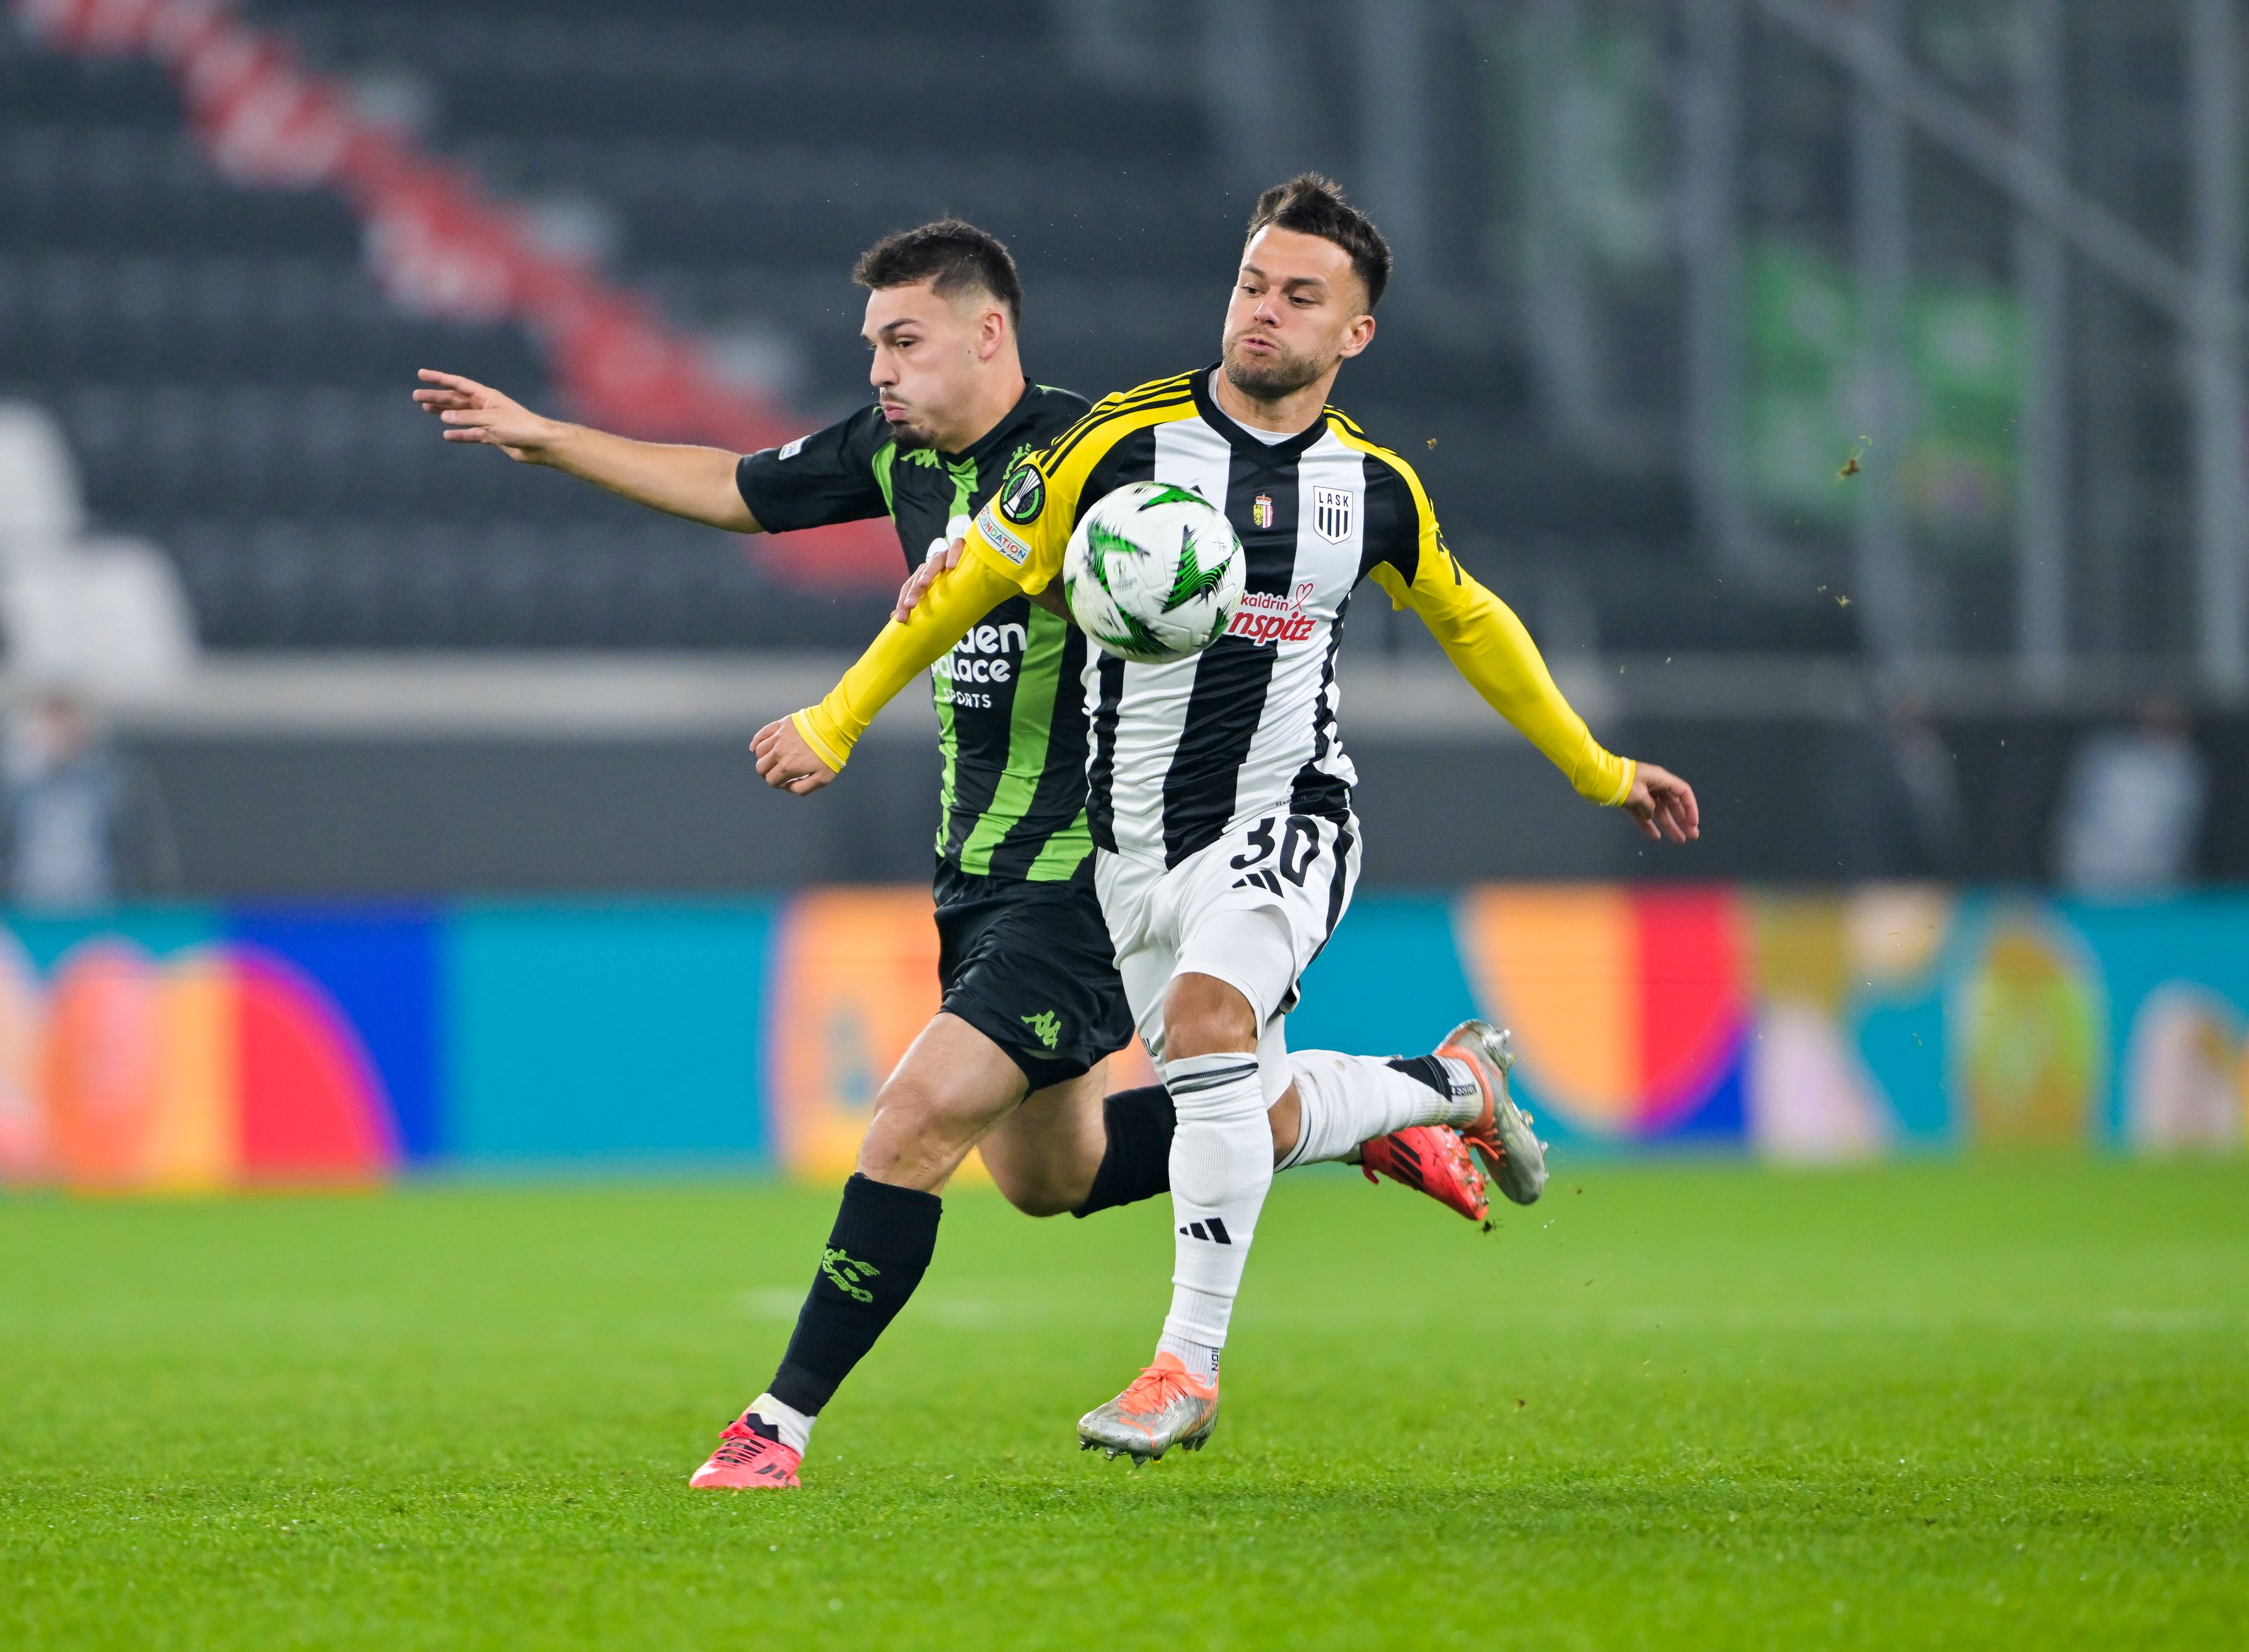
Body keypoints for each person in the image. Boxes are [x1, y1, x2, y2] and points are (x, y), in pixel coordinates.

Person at [414, 221, 1489, 1494]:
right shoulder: (898, 453)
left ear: (987, 333)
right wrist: (551, 438)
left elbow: (1244, 611)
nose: (877, 370)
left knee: (912, 1117)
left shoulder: (1116, 464)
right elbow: (733, 486)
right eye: (871, 344)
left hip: (1085, 872)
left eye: (901, 341)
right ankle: (1400, 1096)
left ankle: (775, 1425)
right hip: (974, 873)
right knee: (1053, 1175)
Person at [753, 175, 1701, 1462]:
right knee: (1196, 1122)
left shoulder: (1372, 489)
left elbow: (1472, 623)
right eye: (1251, 284)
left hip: (1283, 817)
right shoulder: (1118, 446)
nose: (1262, 312)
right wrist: (839, 714)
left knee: (1204, 1032)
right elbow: (969, 574)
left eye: (1298, 296)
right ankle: (1440, 1085)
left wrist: (1596, 769)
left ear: (1352, 333)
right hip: (1127, 853)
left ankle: (1179, 1371)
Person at [0, 690, 178, 911]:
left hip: (100, 911)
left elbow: (145, 851)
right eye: (52, 727)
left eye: (68, 727)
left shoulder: (115, 781)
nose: (61, 737)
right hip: (22, 910)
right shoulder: (4, 783)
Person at [2051, 694, 2206, 893]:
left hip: (2155, 887)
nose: (2164, 726)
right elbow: (2074, 816)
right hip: (2092, 880)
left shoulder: (2188, 770)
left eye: (2171, 722)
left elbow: (2178, 838)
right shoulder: (2108, 758)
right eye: (2158, 719)